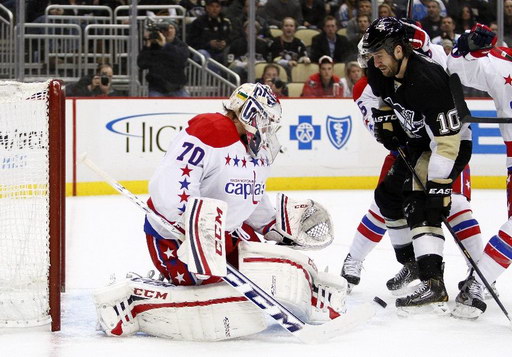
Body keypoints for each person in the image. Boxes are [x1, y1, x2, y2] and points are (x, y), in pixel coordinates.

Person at [92, 83, 346, 341]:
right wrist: (190, 226)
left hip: (224, 231)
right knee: (226, 303)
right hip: (177, 237)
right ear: (247, 112)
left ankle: (311, 294)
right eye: (265, 119)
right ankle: (132, 299)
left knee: (274, 270)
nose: (267, 127)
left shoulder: (257, 148)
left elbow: (250, 196)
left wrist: (271, 226)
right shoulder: (211, 130)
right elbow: (169, 186)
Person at [341, 20, 483, 301]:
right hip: (419, 141)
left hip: (449, 143)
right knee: (387, 198)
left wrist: (439, 182)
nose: (372, 63)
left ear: (398, 50)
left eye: (378, 56)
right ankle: (414, 264)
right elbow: (384, 96)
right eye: (371, 57)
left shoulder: (429, 78)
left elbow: (447, 142)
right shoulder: (380, 69)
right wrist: (385, 120)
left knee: (433, 204)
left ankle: (464, 277)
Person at [447, 24, 512, 319]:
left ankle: (480, 280)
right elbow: (455, 68)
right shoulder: (502, 63)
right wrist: (466, 45)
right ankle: (478, 282)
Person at [137, 18, 190, 97]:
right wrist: (147, 46)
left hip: (178, 89)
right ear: (161, 31)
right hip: (157, 89)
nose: (168, 31)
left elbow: (181, 59)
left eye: (171, 28)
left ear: (176, 30)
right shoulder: (153, 46)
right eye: (165, 29)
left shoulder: (181, 45)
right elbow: (141, 64)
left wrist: (165, 45)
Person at [187, 0, 231, 66]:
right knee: (202, 54)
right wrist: (209, 44)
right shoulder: (198, 22)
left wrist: (225, 42)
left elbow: (230, 38)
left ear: (220, 8)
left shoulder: (225, 22)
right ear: (207, 8)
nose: (214, 9)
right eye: (212, 6)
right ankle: (216, 75)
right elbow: (191, 42)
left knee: (230, 53)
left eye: (217, 6)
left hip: (221, 52)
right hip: (205, 51)